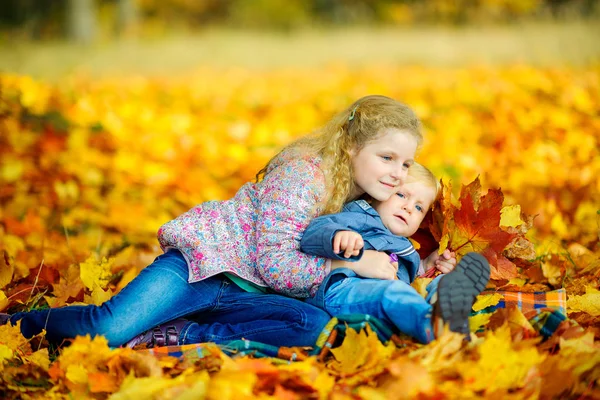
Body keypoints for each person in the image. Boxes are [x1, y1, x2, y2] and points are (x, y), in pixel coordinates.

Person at [1, 94, 425, 349]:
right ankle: (11, 328)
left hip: (249, 294)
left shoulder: (368, 199)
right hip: (202, 268)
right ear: (350, 147)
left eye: (405, 162)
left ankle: (179, 334)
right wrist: (347, 266)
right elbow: (276, 263)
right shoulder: (304, 175)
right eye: (386, 157)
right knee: (107, 329)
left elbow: (393, 242)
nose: (396, 172)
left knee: (311, 326)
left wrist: (430, 263)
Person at [300, 163, 491, 343]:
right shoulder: (358, 217)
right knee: (393, 293)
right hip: (344, 290)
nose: (408, 208)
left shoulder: (403, 246)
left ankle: (445, 310)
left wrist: (427, 266)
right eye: (401, 195)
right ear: (376, 194)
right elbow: (313, 232)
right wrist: (338, 236)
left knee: (436, 283)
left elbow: (407, 276)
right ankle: (430, 325)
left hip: (389, 295)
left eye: (418, 207)